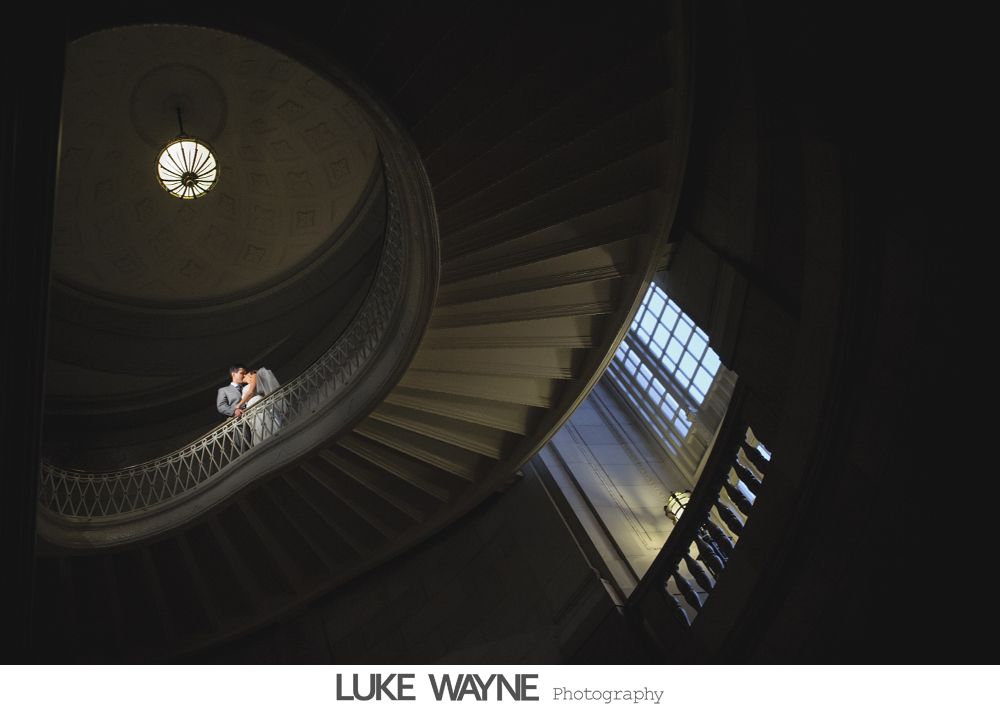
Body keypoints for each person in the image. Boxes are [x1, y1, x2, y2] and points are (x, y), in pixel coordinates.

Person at [235, 367, 283, 445]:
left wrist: (238, 405)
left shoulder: (253, 375)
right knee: (258, 428)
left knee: (265, 424)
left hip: (257, 403)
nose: (244, 376)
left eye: (245, 375)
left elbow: (251, 392)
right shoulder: (246, 386)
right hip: (252, 408)